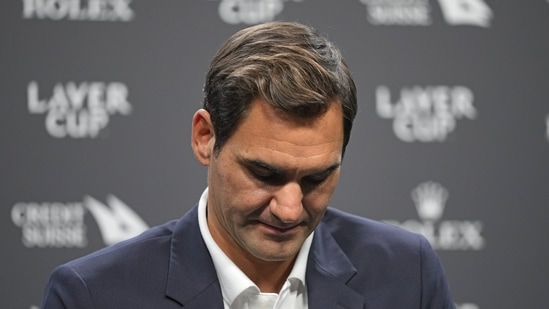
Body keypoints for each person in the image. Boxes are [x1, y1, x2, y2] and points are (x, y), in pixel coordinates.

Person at [41, 21, 454, 308]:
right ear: (206, 137)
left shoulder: (406, 273)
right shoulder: (91, 296)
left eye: (317, 177)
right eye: (264, 174)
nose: (290, 209)